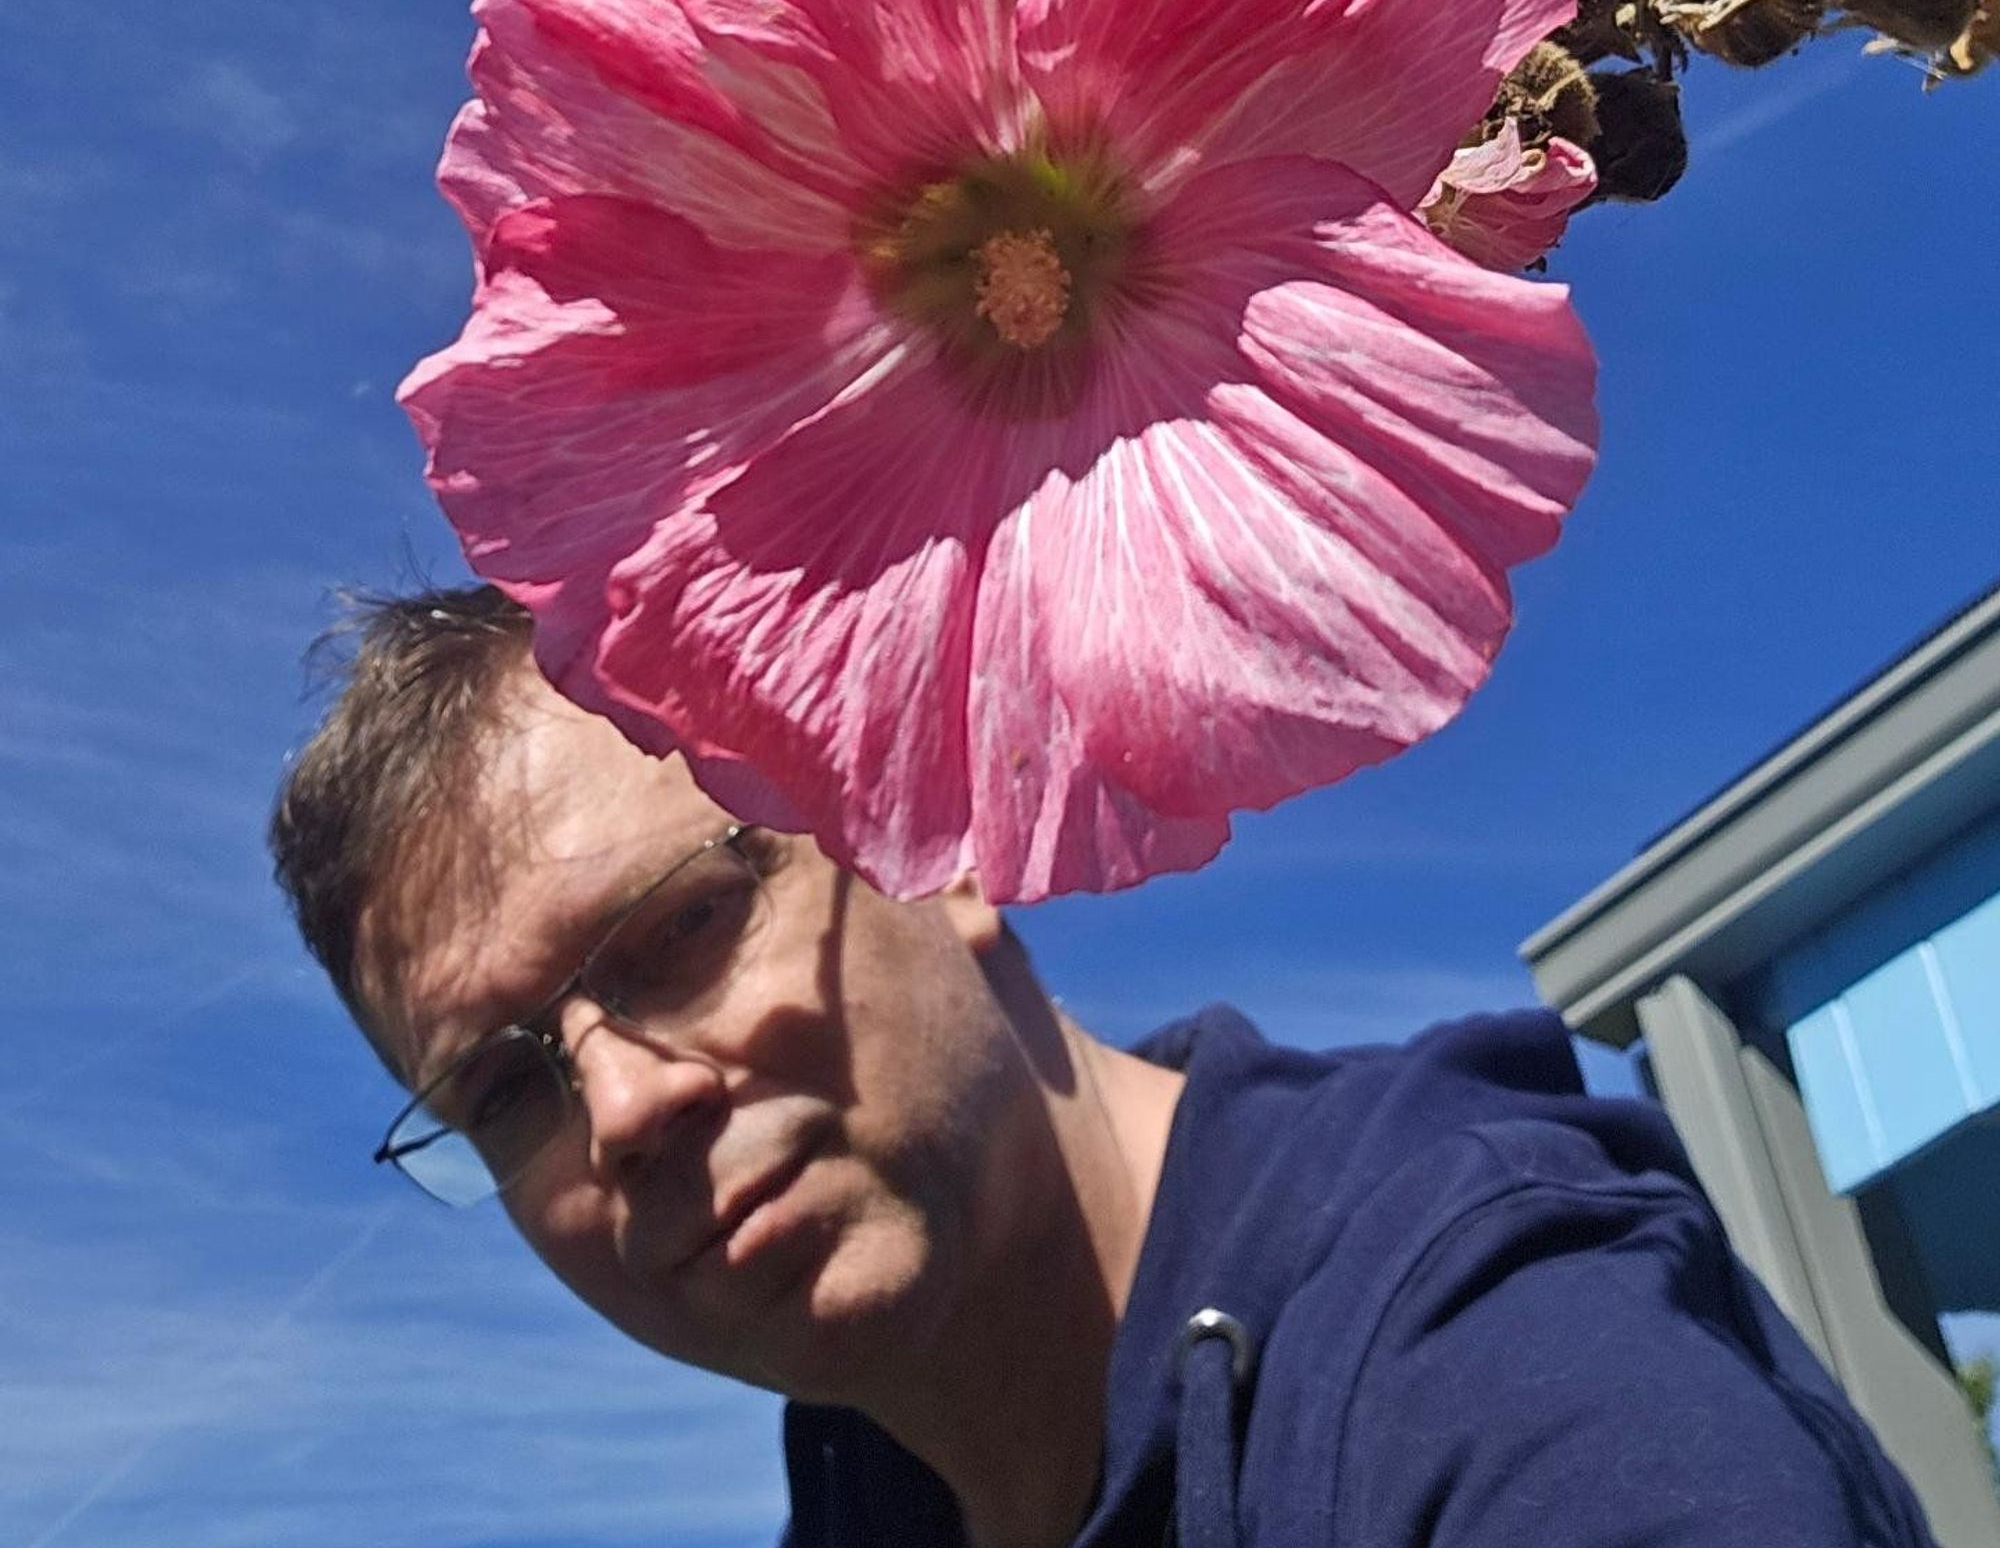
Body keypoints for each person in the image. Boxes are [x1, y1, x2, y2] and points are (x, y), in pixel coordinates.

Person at [271, 584, 1941, 1548]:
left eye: (687, 924)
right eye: (501, 1088)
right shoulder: (877, 1494)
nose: (623, 1107)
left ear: (942, 845)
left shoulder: (1495, 1360)